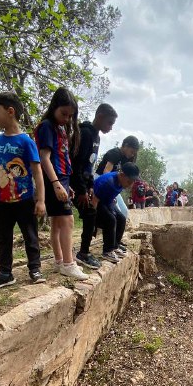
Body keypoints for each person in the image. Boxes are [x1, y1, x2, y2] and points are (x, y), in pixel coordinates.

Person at [0, 92, 46, 289]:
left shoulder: (26, 142)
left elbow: (37, 172)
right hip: (2, 200)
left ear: (10, 111)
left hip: (25, 200)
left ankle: (35, 269)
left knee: (30, 236)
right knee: (3, 238)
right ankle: (5, 273)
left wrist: (41, 200)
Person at [34, 88, 88, 281]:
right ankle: (68, 263)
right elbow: (44, 158)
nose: (66, 118)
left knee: (57, 222)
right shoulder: (47, 126)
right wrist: (56, 183)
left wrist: (65, 184)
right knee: (67, 220)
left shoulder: (59, 127)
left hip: (61, 179)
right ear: (54, 108)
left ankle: (59, 261)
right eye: (64, 114)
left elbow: (61, 156)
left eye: (70, 116)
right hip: (53, 179)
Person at [71, 103, 117, 271]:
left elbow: (89, 166)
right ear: (99, 117)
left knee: (94, 215)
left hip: (85, 184)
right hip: (73, 184)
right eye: (109, 123)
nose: (110, 127)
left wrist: (90, 186)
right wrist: (81, 190)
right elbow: (76, 164)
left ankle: (84, 251)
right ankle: (82, 253)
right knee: (90, 214)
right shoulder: (85, 134)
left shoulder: (96, 137)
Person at [92, 162, 139, 263]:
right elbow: (94, 200)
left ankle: (115, 246)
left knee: (121, 218)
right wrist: (92, 220)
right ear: (122, 175)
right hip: (96, 202)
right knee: (111, 219)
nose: (130, 185)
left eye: (132, 182)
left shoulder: (121, 181)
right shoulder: (108, 182)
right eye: (129, 181)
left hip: (107, 201)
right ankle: (107, 251)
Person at [95, 136, 139, 219]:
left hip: (114, 184)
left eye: (134, 153)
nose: (132, 154)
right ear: (125, 145)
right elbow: (106, 172)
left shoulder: (127, 159)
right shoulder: (114, 153)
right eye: (132, 152)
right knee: (115, 212)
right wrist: (111, 194)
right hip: (101, 181)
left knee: (124, 212)